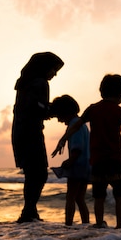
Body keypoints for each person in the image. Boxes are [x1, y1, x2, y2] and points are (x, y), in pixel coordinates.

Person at [52, 74, 121, 229]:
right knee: (119, 195)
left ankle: (99, 223)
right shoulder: (120, 111)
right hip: (115, 160)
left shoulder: (93, 109)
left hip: (97, 161)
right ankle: (120, 226)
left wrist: (64, 138)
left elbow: (76, 125)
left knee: (99, 196)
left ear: (101, 92)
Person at [11, 52, 64, 223]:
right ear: (44, 68)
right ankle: (28, 212)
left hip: (20, 132)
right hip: (31, 132)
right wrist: (53, 110)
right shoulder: (40, 83)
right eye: (53, 70)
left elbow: (30, 106)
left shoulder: (24, 84)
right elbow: (36, 108)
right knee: (40, 173)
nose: (54, 74)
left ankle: (30, 212)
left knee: (32, 173)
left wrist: (46, 109)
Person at [50, 95, 91, 226]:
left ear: (64, 112)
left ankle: (68, 224)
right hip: (86, 166)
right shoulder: (83, 124)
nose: (59, 120)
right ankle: (86, 223)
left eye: (59, 117)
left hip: (77, 165)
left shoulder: (75, 126)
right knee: (80, 198)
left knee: (71, 197)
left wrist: (70, 161)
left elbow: (77, 147)